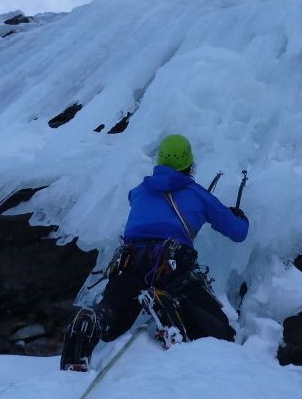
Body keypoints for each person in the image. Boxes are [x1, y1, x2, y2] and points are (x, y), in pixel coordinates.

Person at [60, 134, 248, 371]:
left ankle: (94, 319)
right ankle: (167, 303)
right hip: (171, 264)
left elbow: (134, 199)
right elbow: (238, 232)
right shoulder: (197, 194)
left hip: (130, 263)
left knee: (115, 312)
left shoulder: (140, 190)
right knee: (217, 327)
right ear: (190, 164)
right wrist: (239, 217)